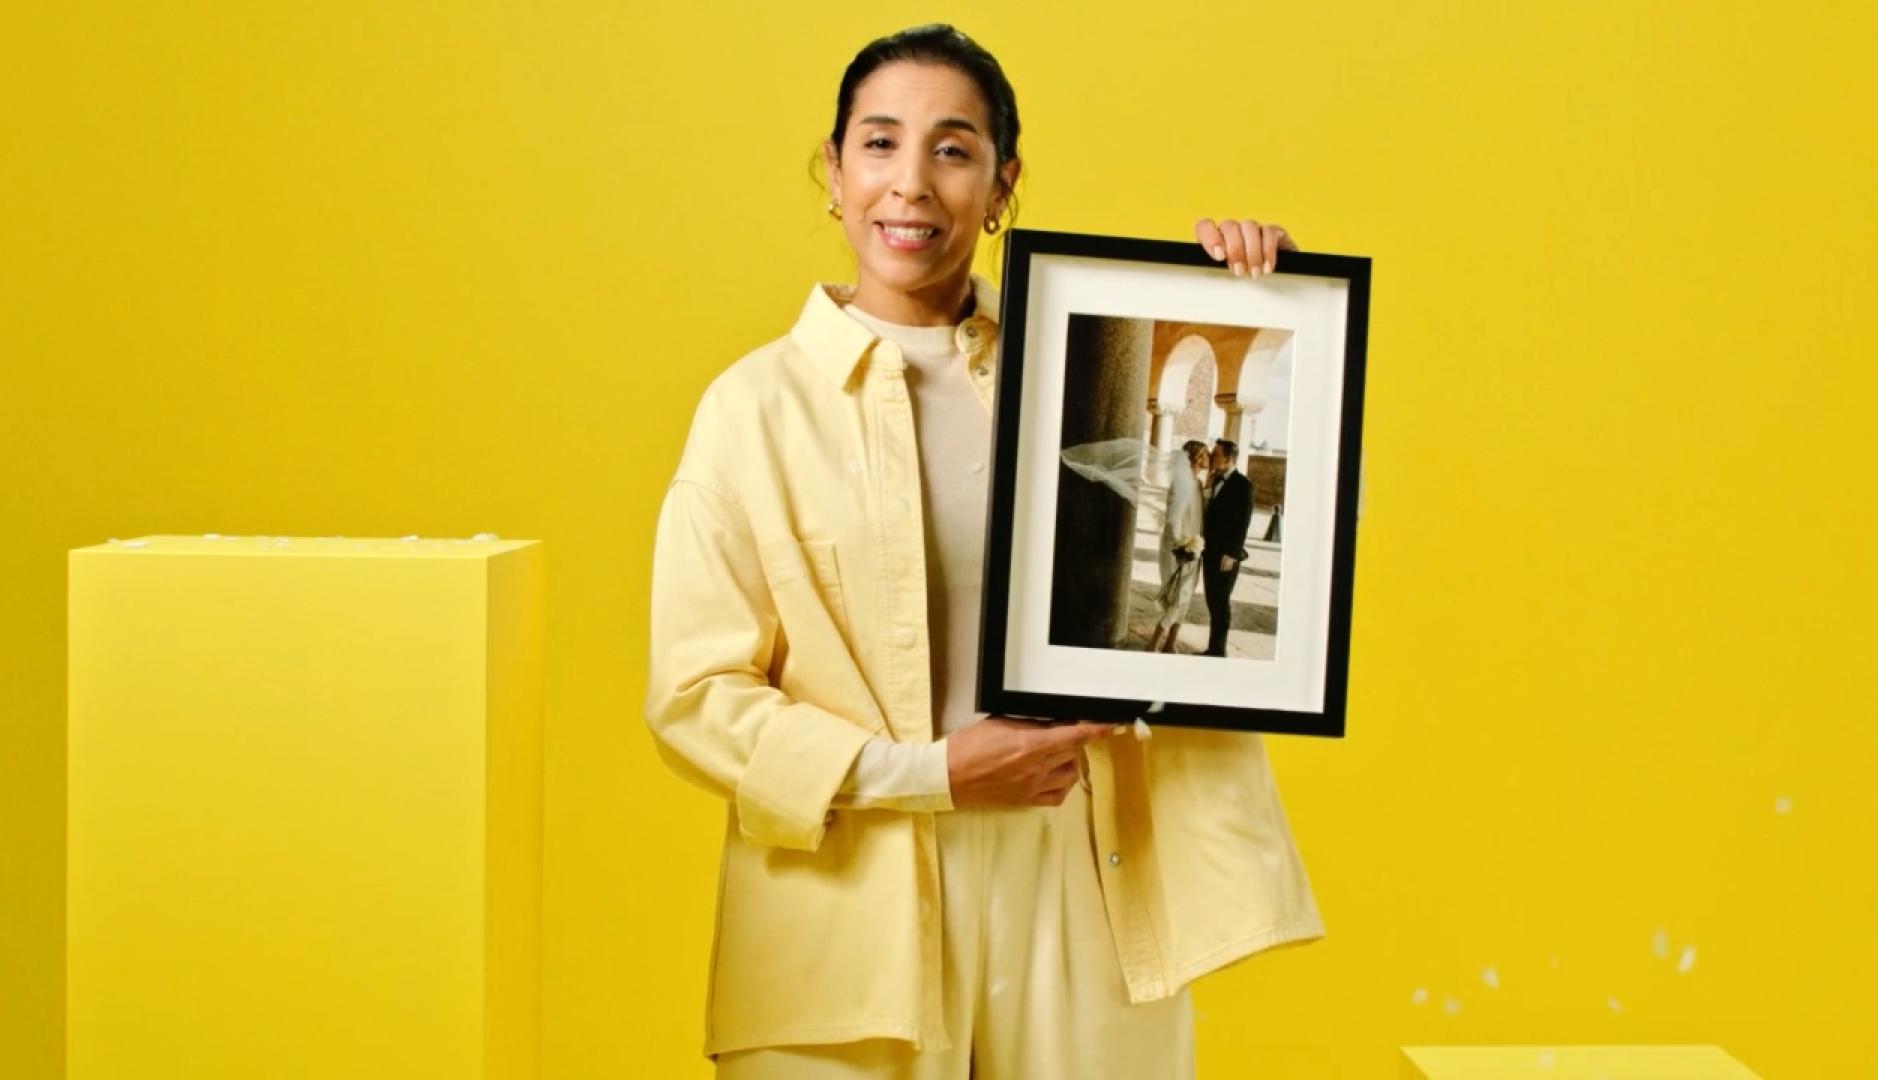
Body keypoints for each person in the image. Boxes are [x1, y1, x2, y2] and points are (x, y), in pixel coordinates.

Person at [644, 24, 1322, 1080]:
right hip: (845, 893)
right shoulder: (751, 412)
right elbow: (694, 699)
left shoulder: (1083, 363)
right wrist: (933, 776)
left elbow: (1283, 545)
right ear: (831, 173)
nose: (910, 183)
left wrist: (1265, 299)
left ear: (1003, 185)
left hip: (1084, 877)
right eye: (879, 144)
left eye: (952, 150)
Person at [1146, 440, 1210, 654]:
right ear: (1194, 457)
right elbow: (1173, 519)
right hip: (1180, 548)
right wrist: (1182, 547)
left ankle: (1170, 643)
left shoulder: (1198, 483)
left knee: (1187, 594)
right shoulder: (1181, 481)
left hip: (1195, 546)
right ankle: (1153, 642)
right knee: (1178, 595)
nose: (1207, 457)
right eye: (1204, 454)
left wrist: (1195, 545)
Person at [1200, 439, 1256, 658]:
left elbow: (1243, 523)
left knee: (1221, 603)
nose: (1212, 457)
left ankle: (1218, 651)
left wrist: (1231, 555)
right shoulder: (1215, 480)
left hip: (1226, 556)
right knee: (1212, 600)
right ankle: (1213, 648)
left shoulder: (1244, 485)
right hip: (1211, 551)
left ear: (1230, 459)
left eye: (1216, 454)